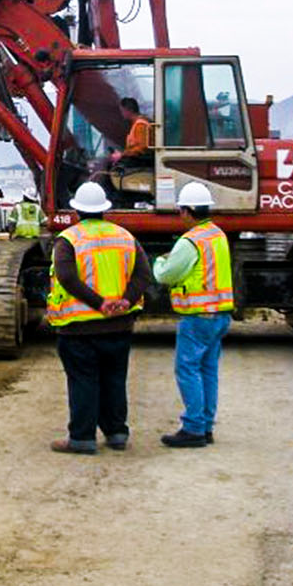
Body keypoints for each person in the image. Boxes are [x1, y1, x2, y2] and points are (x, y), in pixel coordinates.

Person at [46, 181, 152, 454]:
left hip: (79, 327)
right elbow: (143, 274)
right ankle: (117, 433)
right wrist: (125, 301)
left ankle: (82, 437)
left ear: (77, 210)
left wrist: (98, 303)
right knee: (115, 380)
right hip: (119, 325)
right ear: (104, 209)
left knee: (83, 381)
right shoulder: (125, 236)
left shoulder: (69, 239)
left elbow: (67, 277)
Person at [151, 181, 233, 447]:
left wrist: (160, 261)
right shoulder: (217, 234)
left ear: (186, 211)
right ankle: (206, 426)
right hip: (220, 313)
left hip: (198, 316)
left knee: (187, 369)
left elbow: (167, 275)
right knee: (208, 370)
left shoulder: (190, 241)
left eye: (180, 210)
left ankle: (194, 429)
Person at [108, 96, 152, 168]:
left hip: (140, 161)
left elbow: (141, 148)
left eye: (122, 111)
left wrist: (122, 155)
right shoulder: (135, 124)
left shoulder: (141, 125)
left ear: (130, 110)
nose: (122, 114)